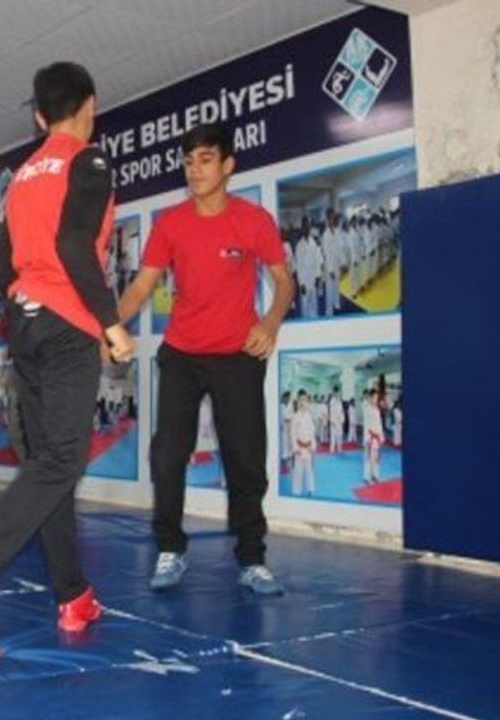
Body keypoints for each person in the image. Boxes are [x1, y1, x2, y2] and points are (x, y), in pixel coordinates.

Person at [0, 61, 135, 658]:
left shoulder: (20, 178)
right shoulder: (88, 161)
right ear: (90, 106)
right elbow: (74, 245)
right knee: (62, 459)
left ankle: (73, 595)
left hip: (27, 327)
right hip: (66, 328)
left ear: (39, 116)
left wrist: (27, 298)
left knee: (50, 466)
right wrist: (110, 323)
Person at [117, 122, 295, 596]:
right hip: (182, 354)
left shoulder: (253, 221)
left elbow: (284, 282)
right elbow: (142, 285)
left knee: (246, 460)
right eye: (189, 161)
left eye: (206, 159)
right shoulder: (170, 224)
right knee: (167, 454)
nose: (195, 170)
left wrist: (270, 324)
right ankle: (170, 548)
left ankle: (252, 558)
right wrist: (108, 326)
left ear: (228, 165)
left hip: (238, 355)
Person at [291, 391, 316, 497]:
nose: (303, 402)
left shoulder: (309, 416)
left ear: (308, 402)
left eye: (305, 400)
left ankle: (310, 489)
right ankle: (296, 491)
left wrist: (313, 445)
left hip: (308, 447)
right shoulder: (295, 416)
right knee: (298, 471)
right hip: (299, 448)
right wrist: (295, 447)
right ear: (298, 401)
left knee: (309, 470)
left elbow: (312, 433)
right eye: (301, 400)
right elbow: (292, 434)